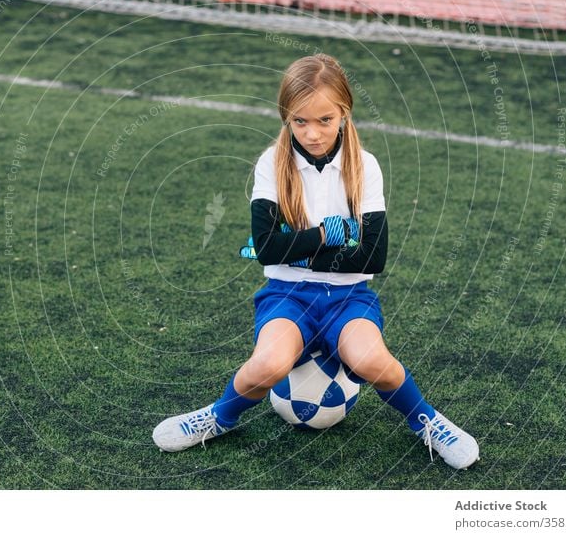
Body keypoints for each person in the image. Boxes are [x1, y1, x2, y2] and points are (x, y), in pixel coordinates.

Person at [152, 54, 479, 469]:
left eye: (325, 119)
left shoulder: (366, 166)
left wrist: (297, 246)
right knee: (269, 364)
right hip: (286, 295)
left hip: (348, 298)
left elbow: (372, 258)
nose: (313, 133)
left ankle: (427, 421)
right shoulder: (272, 162)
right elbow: (268, 253)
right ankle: (219, 417)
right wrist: (328, 234)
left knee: (372, 360)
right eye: (300, 121)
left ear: (344, 113)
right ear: (286, 118)